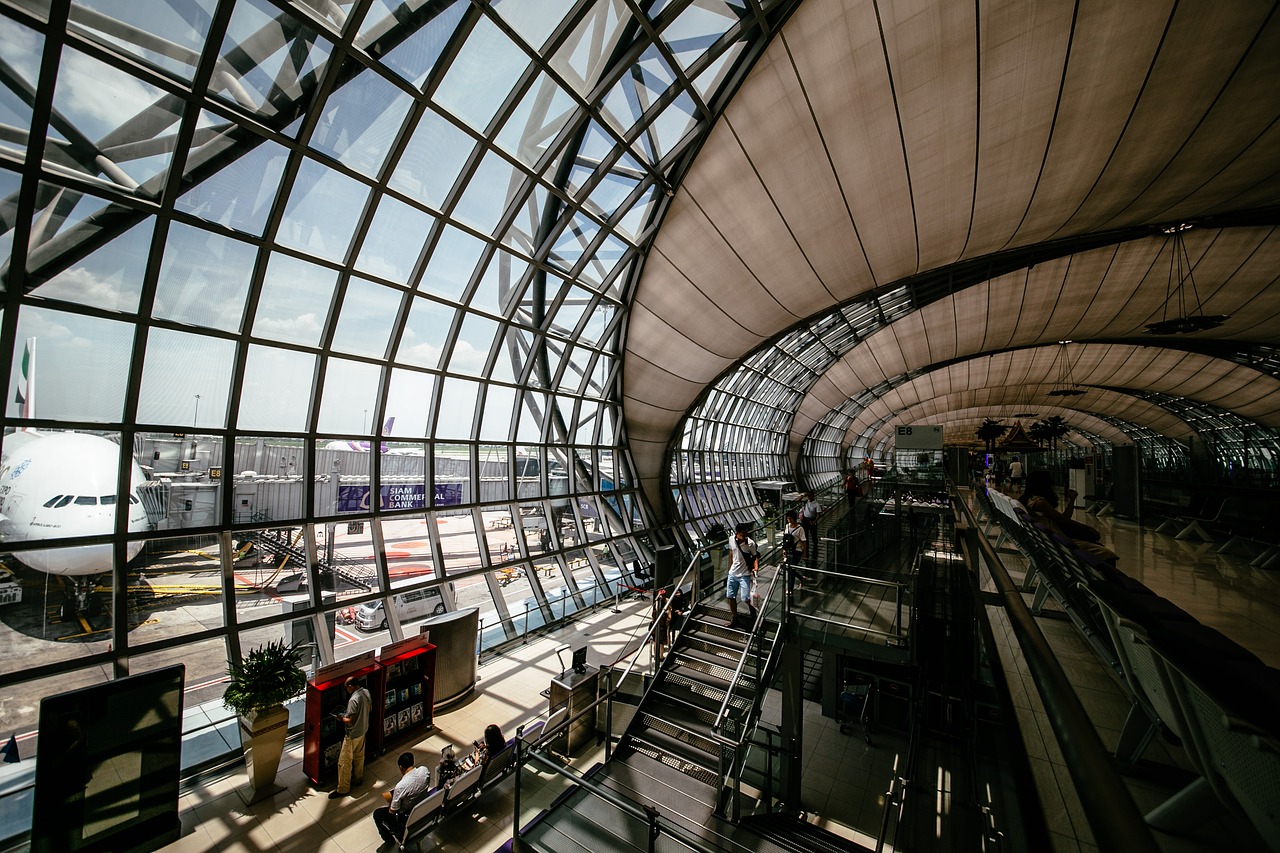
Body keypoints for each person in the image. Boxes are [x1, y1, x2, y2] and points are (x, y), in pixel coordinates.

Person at [1017, 471, 1114, 561]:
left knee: (1096, 544)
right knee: (1107, 553)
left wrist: (1072, 499)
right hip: (1059, 542)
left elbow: (1063, 519)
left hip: (1049, 541)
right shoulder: (1040, 503)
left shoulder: (1028, 499)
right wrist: (1088, 527)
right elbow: (1064, 521)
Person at [372, 751, 431, 844]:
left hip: (405, 815)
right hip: (421, 805)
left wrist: (392, 804)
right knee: (392, 794)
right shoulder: (424, 770)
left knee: (377, 814)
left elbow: (392, 812)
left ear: (401, 767)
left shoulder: (401, 786)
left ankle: (388, 838)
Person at [330, 676, 372, 798]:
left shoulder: (353, 700)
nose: (346, 691)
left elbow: (351, 721)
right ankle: (358, 778)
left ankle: (343, 788)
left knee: (344, 762)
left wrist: (340, 718)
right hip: (363, 730)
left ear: (350, 686)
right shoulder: (366, 692)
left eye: (346, 688)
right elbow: (370, 708)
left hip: (352, 734)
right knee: (359, 756)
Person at [725, 522, 758, 628]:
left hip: (744, 574)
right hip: (733, 573)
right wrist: (730, 568)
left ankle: (753, 609)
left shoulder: (750, 543)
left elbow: (755, 556)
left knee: (745, 597)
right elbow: (731, 553)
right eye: (742, 534)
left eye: (745, 534)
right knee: (730, 596)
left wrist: (756, 567)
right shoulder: (731, 540)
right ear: (737, 533)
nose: (744, 536)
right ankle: (735, 618)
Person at [800, 493, 821, 557]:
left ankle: (815, 545)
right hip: (806, 519)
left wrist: (814, 521)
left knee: (813, 533)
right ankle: (806, 546)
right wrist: (804, 495)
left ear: (813, 496)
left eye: (810, 495)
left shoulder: (816, 504)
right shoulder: (806, 502)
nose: (808, 497)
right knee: (805, 533)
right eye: (808, 496)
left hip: (812, 520)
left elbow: (818, 514)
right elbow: (797, 500)